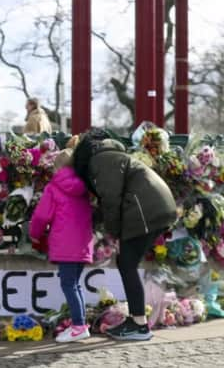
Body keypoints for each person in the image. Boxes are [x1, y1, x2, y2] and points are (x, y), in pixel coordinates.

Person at [72, 129, 176, 341]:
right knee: (126, 263)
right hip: (157, 206)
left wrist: (114, 233)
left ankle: (139, 325)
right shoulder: (114, 155)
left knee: (127, 264)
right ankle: (137, 321)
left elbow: (111, 199)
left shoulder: (100, 161)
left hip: (145, 210)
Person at [30, 148, 93, 343]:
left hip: (65, 245)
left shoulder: (54, 187)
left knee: (69, 285)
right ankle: (80, 325)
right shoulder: (85, 187)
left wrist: (34, 234)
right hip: (83, 244)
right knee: (75, 285)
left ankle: (78, 326)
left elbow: (41, 216)